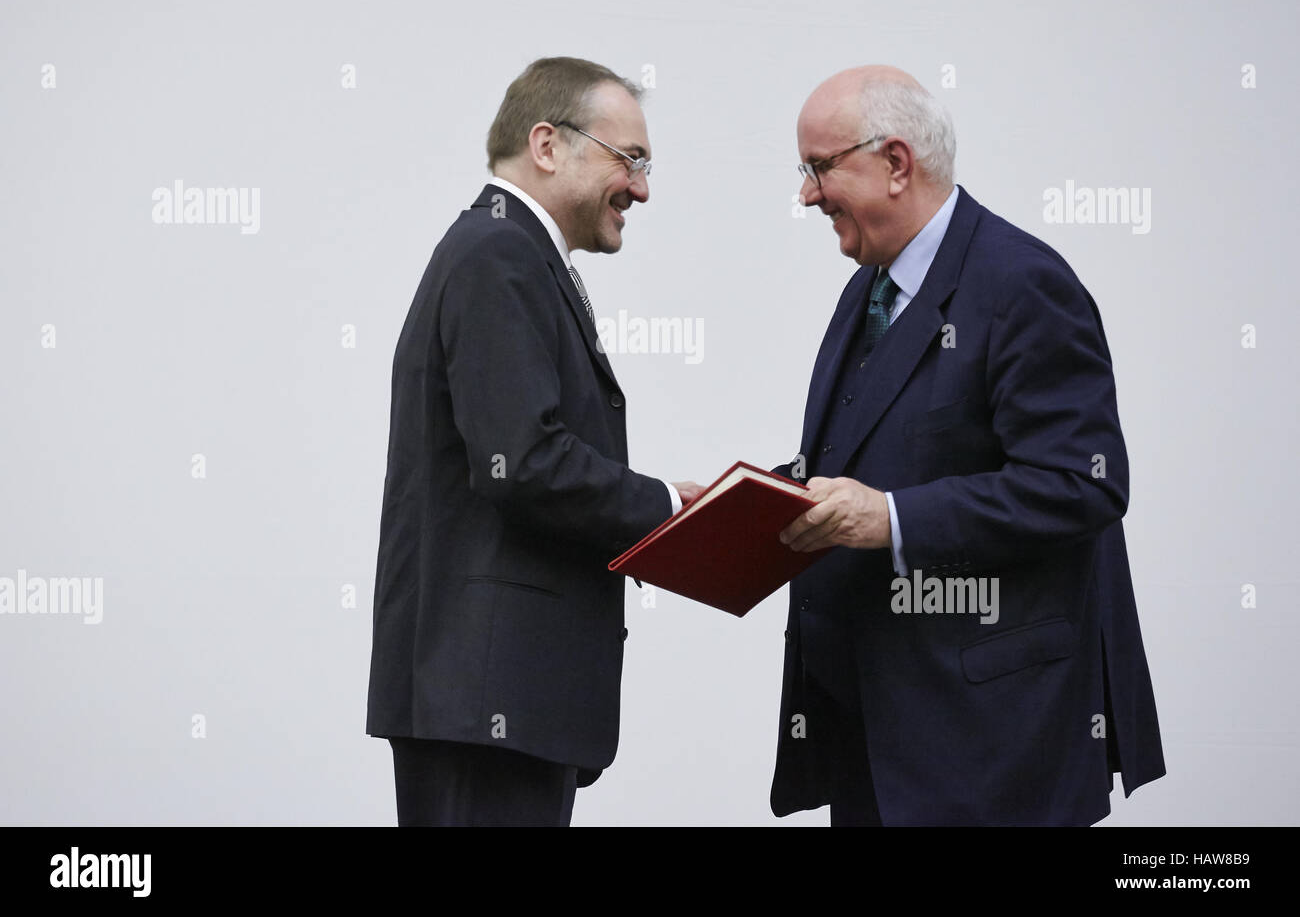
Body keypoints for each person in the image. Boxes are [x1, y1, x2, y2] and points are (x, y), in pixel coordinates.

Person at [770, 65, 1165, 826]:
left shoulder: (1023, 284)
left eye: (820, 168)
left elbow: (1081, 484)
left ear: (895, 162)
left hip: (992, 750)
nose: (808, 194)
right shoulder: (868, 288)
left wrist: (891, 520)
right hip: (875, 740)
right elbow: (881, 456)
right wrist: (748, 500)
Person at [366, 56, 701, 826]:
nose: (642, 189)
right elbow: (520, 461)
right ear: (547, 145)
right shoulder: (499, 253)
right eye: (632, 160)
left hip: (497, 701)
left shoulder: (510, 251)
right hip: (487, 699)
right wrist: (661, 504)